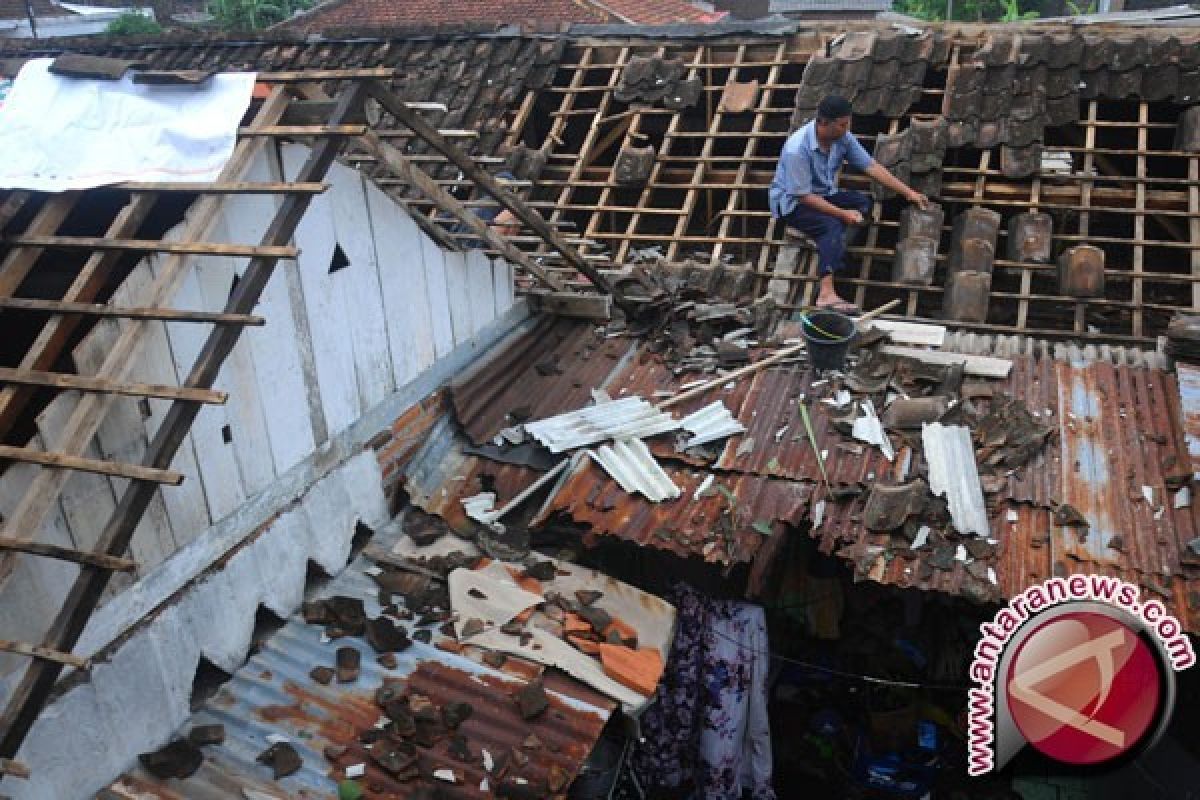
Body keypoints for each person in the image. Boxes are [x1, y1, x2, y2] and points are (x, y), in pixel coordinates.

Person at [769, 94, 929, 313]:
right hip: (792, 203)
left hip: (823, 194)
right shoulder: (797, 149)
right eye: (843, 124)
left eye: (848, 123)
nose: (847, 128)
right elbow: (804, 196)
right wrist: (842, 214)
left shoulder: (842, 138)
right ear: (824, 123)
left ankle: (836, 248)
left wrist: (909, 192)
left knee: (863, 202)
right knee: (831, 226)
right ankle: (826, 293)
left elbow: (870, 167)